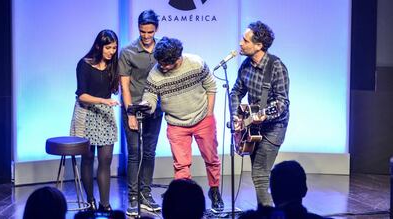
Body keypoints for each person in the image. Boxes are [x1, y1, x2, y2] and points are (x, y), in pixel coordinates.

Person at [141, 37, 224, 211]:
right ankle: (183, 200)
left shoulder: (196, 63)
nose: (162, 66)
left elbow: (211, 86)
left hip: (202, 119)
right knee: (181, 164)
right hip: (176, 124)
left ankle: (215, 190)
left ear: (177, 58)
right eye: (160, 63)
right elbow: (150, 96)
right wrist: (146, 106)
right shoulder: (155, 74)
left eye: (166, 63)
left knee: (211, 159)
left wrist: (209, 114)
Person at [230, 21, 290, 207]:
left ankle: (269, 215)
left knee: (260, 174)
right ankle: (263, 213)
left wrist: (265, 115)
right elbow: (235, 92)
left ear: (259, 46)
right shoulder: (246, 65)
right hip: (252, 127)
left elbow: (282, 103)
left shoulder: (276, 67)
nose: (241, 43)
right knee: (259, 175)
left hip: (274, 127)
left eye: (245, 40)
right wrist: (236, 116)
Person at [118, 9, 163, 216]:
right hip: (133, 109)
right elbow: (124, 87)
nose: (146, 36)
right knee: (134, 153)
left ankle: (146, 195)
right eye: (143, 32)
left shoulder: (162, 49)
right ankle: (133, 197)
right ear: (138, 28)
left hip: (155, 109)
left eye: (150, 32)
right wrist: (129, 113)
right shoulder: (128, 52)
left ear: (156, 30)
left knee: (149, 153)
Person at [70, 29, 120, 211]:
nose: (112, 52)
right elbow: (81, 95)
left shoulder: (114, 65)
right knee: (88, 158)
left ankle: (105, 204)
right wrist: (102, 101)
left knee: (105, 159)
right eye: (108, 48)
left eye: (114, 48)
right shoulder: (84, 65)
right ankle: (90, 201)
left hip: (105, 115)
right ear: (99, 46)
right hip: (86, 114)